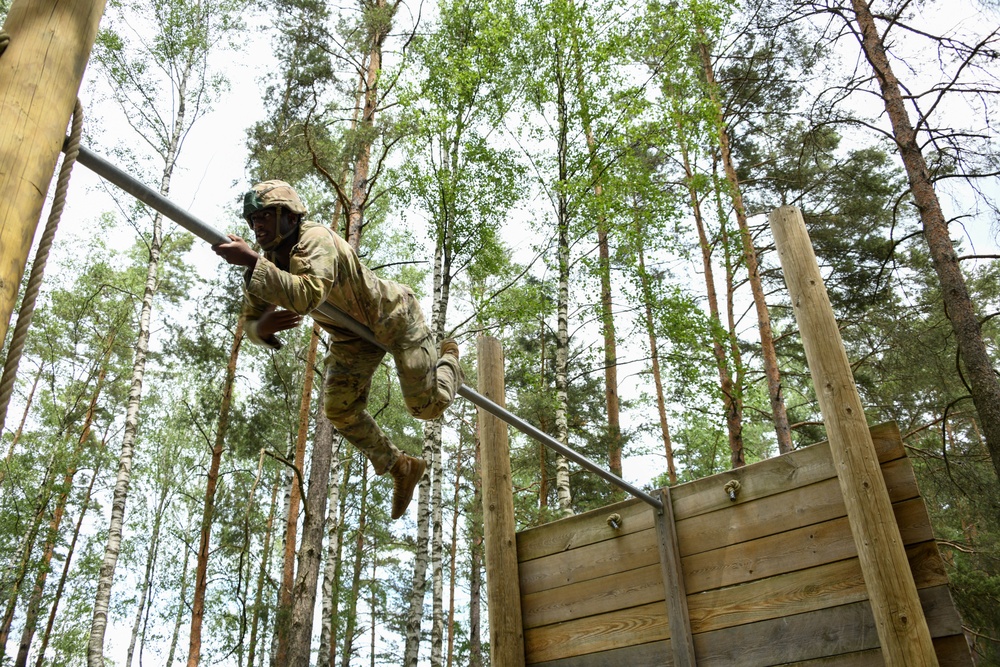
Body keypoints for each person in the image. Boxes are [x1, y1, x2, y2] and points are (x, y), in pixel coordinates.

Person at [212, 180, 462, 519]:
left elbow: (307, 294)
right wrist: (262, 327)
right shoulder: (270, 258)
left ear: (289, 215)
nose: (257, 225)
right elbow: (252, 322)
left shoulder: (315, 239)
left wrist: (252, 263)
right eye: (253, 219)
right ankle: (401, 466)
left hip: (394, 318)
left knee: (426, 408)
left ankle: (450, 357)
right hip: (352, 336)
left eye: (266, 216)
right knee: (339, 409)